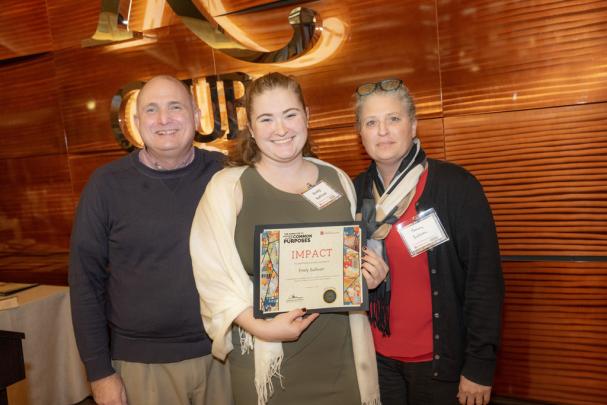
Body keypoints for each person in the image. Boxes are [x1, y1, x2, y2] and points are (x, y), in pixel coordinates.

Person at [189, 72, 385, 405]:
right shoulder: (228, 188)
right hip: (267, 363)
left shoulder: (336, 179)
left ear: (307, 115)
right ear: (251, 128)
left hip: (341, 359)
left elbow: (349, 257)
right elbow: (211, 277)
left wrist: (370, 274)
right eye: (266, 118)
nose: (281, 129)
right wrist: (261, 327)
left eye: (290, 114)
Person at [69, 75, 233, 405]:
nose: (163, 120)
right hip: (141, 367)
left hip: (226, 356)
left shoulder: (228, 173)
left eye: (175, 107)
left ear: (198, 117)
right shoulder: (106, 186)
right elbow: (85, 282)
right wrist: (99, 373)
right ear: (135, 122)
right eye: (151, 110)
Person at [352, 79, 504, 405]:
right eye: (371, 122)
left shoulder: (456, 187)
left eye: (394, 119)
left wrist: (480, 365)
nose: (383, 131)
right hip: (376, 360)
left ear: (413, 125)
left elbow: (484, 280)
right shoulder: (354, 192)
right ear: (360, 134)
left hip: (439, 364)